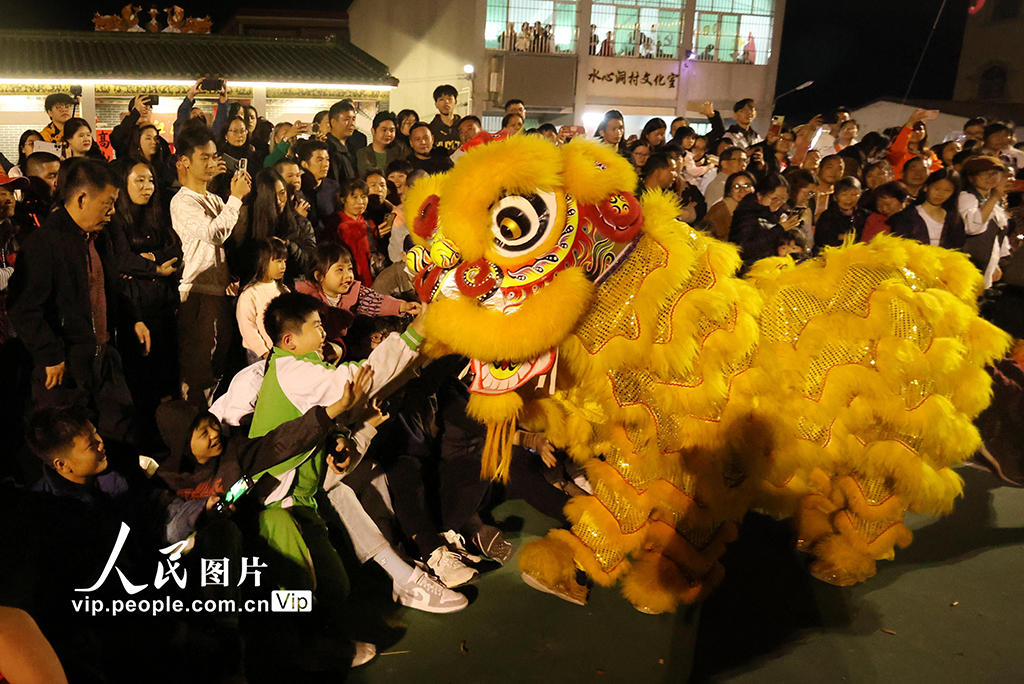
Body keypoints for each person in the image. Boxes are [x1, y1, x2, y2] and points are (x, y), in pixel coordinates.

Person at [246, 293, 427, 663]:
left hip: (302, 500)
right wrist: (414, 335)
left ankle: (307, 640)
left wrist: (342, 439)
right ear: (289, 341)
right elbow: (355, 381)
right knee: (298, 586)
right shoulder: (292, 370)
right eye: (315, 325)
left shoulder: (305, 367)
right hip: (275, 503)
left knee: (333, 583)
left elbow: (328, 416)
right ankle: (303, 650)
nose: (323, 329)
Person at [8, 159, 144, 442]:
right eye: (108, 203)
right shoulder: (43, 244)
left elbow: (112, 287)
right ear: (82, 198)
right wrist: (50, 354)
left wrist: (134, 319)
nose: (112, 211)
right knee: (70, 441)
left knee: (119, 432)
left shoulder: (100, 238)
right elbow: (24, 308)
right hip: (64, 367)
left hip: (103, 357)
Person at [170, 125, 251, 407]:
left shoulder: (215, 199)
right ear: (184, 162)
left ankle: (206, 423)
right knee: (197, 370)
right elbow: (215, 233)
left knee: (216, 368)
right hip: (197, 294)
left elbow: (233, 238)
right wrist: (236, 198)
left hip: (220, 293)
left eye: (214, 156)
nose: (211, 163)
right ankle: (192, 432)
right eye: (203, 157)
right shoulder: (181, 202)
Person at [107, 160, 181, 446]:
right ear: (124, 183)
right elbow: (120, 260)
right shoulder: (115, 220)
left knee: (165, 373)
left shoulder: (157, 215)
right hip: (134, 306)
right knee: (141, 375)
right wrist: (152, 267)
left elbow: (174, 250)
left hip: (163, 305)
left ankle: (166, 436)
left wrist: (150, 261)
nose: (147, 187)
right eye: (139, 180)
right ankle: (144, 439)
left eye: (150, 180)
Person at [296, 242, 419, 349]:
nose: (348, 275)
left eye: (349, 269)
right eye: (340, 270)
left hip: (348, 346)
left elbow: (377, 301)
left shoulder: (354, 292)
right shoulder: (306, 297)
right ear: (319, 276)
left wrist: (402, 306)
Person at [233, 168, 316, 287]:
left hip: (288, 289)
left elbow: (310, 261)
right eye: (272, 196)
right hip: (253, 289)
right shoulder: (249, 223)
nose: (279, 201)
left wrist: (287, 246)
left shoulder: (300, 223)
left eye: (282, 193)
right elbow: (237, 262)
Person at [959, 155, 1011, 289]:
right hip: (968, 265)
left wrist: (996, 263)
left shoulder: (991, 200)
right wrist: (994, 197)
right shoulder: (967, 197)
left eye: (994, 173)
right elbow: (973, 227)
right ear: (971, 178)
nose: (991, 177)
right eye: (984, 174)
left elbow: (998, 235)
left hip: (986, 265)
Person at [728, 173, 798, 266]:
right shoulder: (746, 214)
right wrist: (779, 229)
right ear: (760, 195)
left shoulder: (778, 213)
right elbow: (745, 248)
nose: (779, 202)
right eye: (775, 198)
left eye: (783, 198)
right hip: (750, 270)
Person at [237, 237, 290, 363]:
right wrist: (264, 351)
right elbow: (247, 327)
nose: (283, 266)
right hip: (259, 354)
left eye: (284, 261)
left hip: (282, 351)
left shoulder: (284, 291)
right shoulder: (250, 294)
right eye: (278, 261)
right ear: (263, 261)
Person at [888, 168, 964, 249]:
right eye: (937, 189)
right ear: (926, 187)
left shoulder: (954, 219)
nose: (940, 194)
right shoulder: (905, 217)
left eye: (947, 190)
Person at [327, 179, 379, 287]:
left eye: (363, 196)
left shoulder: (370, 223)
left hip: (374, 280)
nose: (360, 202)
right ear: (343, 200)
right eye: (354, 197)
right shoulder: (336, 226)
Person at [813, 176, 865, 251]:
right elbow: (822, 240)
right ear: (835, 197)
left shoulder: (864, 215)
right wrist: (839, 237)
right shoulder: (827, 216)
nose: (849, 199)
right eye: (844, 195)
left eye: (854, 194)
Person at [14, 152, 60, 234]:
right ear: (33, 179)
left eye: (59, 176)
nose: (57, 182)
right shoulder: (26, 214)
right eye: (51, 177)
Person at [173, 77, 228, 147]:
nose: (198, 116)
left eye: (201, 115)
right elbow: (183, 113)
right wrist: (191, 94)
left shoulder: (209, 139)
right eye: (194, 115)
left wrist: (223, 96)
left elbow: (221, 121)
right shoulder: (182, 139)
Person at [702, 170, 755, 241]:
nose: (742, 190)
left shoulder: (757, 207)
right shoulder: (720, 210)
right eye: (736, 187)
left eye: (746, 185)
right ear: (729, 192)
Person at [214, 116, 257, 200]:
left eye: (242, 131)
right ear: (226, 135)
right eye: (234, 131)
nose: (239, 135)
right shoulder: (219, 157)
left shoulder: (253, 155)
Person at [887, 108, 939, 179]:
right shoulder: (898, 151)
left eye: (920, 129)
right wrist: (910, 122)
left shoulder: (930, 155)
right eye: (913, 129)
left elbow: (937, 174)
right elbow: (898, 148)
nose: (917, 132)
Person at [326, 100, 359, 188]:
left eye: (353, 119)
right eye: (347, 119)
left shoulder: (351, 147)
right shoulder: (328, 149)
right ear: (333, 122)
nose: (351, 124)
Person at [356, 111, 399, 176]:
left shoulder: (397, 152)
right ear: (373, 131)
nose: (388, 134)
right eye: (384, 130)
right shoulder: (362, 153)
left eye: (392, 130)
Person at [429, 85, 461, 156]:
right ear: (436, 104)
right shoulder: (431, 129)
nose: (446, 102)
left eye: (449, 99)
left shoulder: (462, 127)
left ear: (455, 102)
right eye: (441, 99)